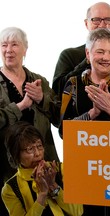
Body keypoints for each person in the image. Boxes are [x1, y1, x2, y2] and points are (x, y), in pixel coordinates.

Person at [60, 28, 110, 216]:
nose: (107, 58)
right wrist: (93, 112)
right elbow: (65, 131)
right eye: (100, 52)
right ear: (88, 54)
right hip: (83, 168)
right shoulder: (72, 84)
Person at [0, 27, 60, 215]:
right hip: (6, 167)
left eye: (14, 44)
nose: (8, 49)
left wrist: (42, 98)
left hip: (43, 164)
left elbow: (60, 117)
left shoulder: (38, 80)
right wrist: (20, 106)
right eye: (4, 45)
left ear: (25, 49)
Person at [52, 1, 110, 99]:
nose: (102, 25)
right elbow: (57, 90)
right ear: (86, 23)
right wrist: (91, 58)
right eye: (96, 20)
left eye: (108, 20)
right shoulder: (69, 55)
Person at [1, 121, 83, 216]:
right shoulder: (10, 189)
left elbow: (78, 212)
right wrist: (42, 195)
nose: (37, 153)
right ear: (16, 154)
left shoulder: (62, 169)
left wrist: (53, 186)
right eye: (30, 149)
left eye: (39, 146)